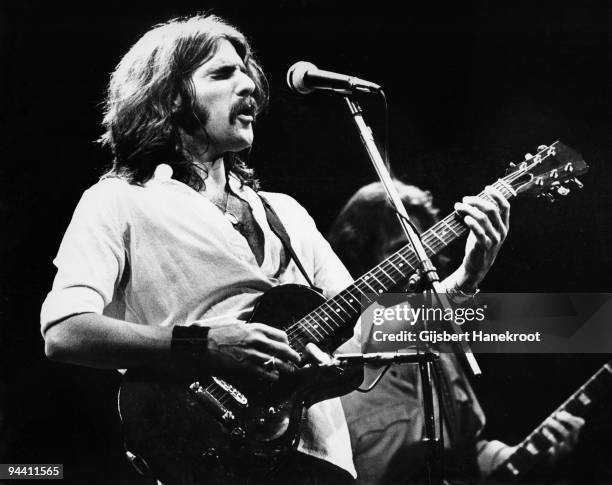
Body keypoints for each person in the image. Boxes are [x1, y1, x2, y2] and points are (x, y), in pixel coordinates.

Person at [40, 13, 513, 485]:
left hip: (322, 461)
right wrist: (205, 345)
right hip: (212, 455)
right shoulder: (121, 199)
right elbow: (65, 332)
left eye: (247, 73)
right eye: (223, 74)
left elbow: (371, 334)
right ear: (169, 97)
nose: (248, 85)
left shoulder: (285, 212)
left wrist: (464, 281)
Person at [329, 181, 585, 484]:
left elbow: (469, 452)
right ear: (362, 264)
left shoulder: (439, 347)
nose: (422, 269)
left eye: (427, 255)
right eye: (400, 254)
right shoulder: (331, 368)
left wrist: (523, 454)